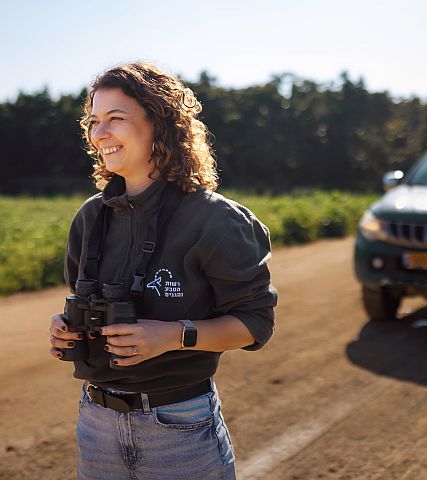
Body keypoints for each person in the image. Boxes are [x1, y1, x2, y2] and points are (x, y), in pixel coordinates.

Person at [48, 62, 278, 479]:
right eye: (94, 121)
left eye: (115, 119)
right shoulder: (89, 218)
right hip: (95, 422)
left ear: (160, 124)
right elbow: (83, 305)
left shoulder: (217, 221)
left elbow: (256, 322)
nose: (100, 134)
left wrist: (173, 336)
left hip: (179, 428)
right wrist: (66, 326)